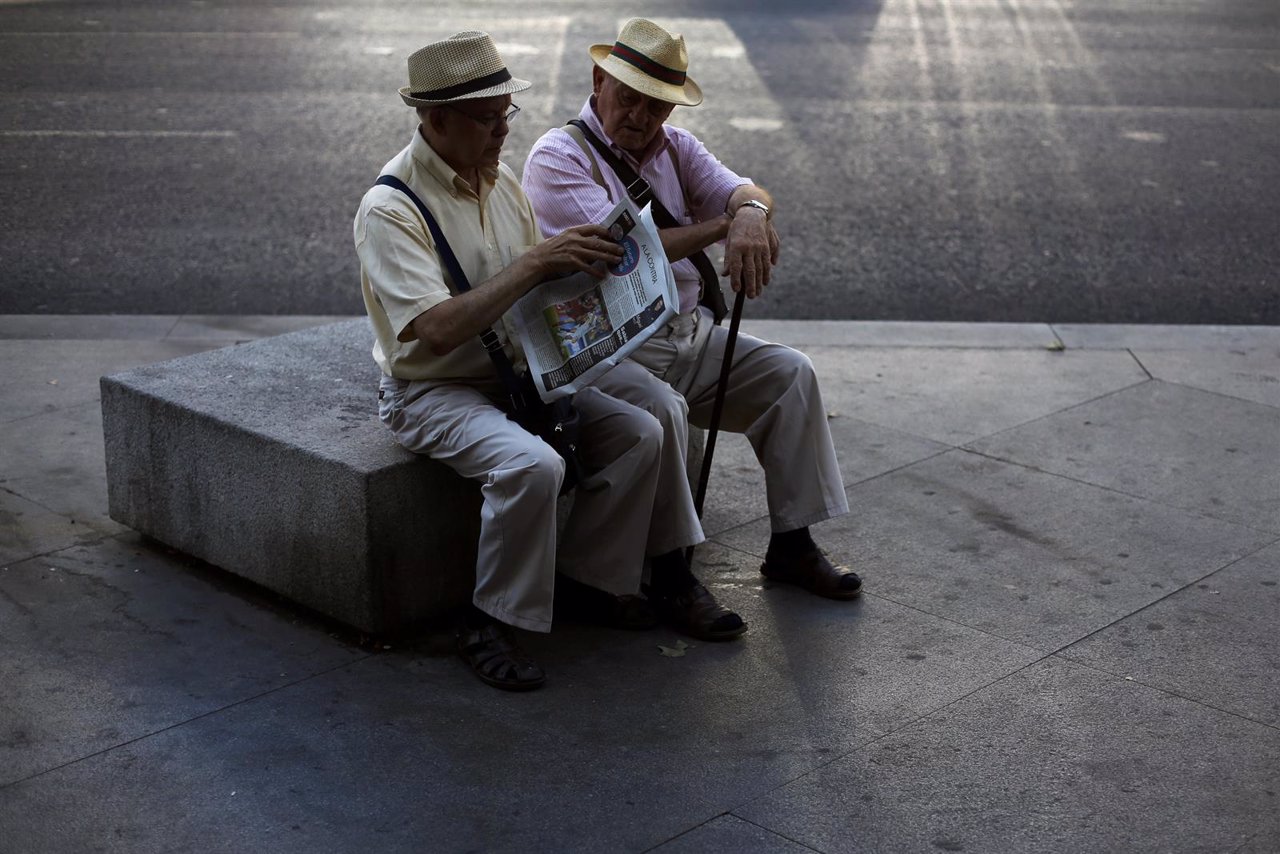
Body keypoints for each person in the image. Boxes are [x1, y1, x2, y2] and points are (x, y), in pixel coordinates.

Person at [521, 18, 861, 632]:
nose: (642, 118)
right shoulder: (557, 156)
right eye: (629, 99)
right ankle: (672, 574)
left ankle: (792, 544)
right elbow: (626, 252)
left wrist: (752, 212)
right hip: (609, 350)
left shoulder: (677, 148)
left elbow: (741, 189)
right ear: (599, 81)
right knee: (664, 412)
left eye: (657, 107)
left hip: (685, 333)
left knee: (790, 374)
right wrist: (725, 226)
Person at [354, 32, 669, 692]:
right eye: (487, 119)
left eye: (506, 115)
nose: (502, 132)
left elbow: (537, 298)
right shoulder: (391, 207)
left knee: (643, 432)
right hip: (432, 391)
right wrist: (534, 264)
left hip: (516, 375)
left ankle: (586, 580)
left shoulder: (500, 185)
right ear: (435, 120)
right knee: (533, 464)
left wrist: (595, 297)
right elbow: (436, 331)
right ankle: (485, 622)